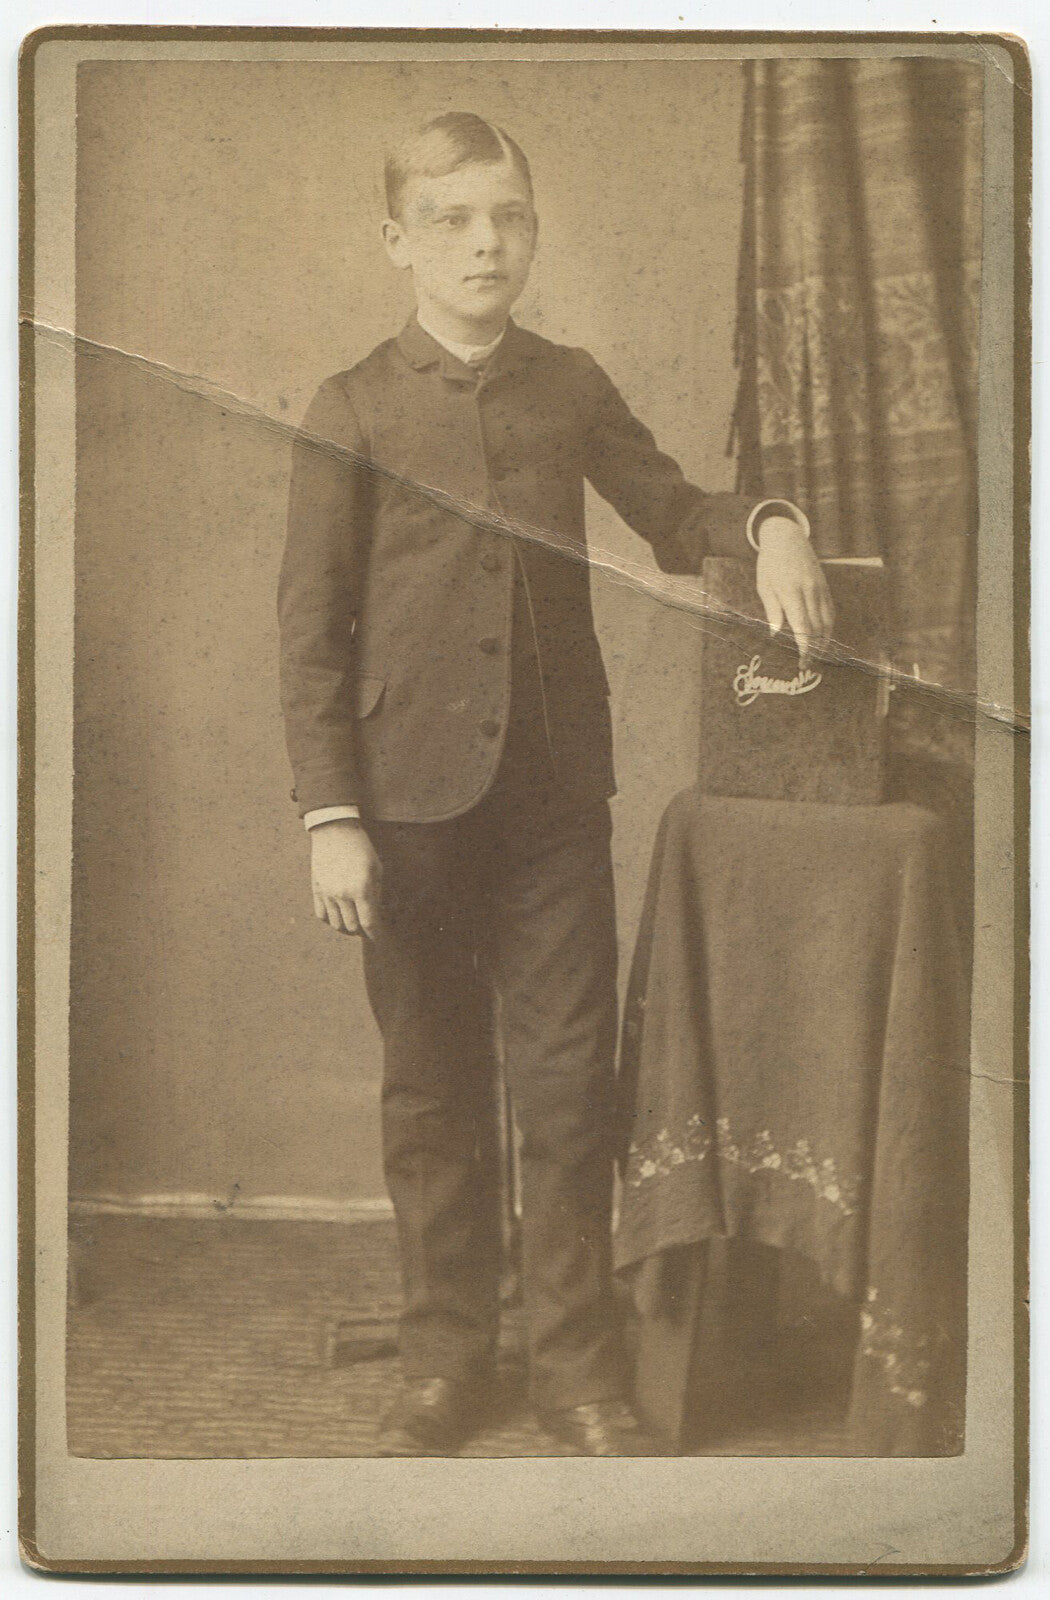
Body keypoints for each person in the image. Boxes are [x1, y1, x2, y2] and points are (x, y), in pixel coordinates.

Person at [278, 111, 833, 1456]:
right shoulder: (350, 403)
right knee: (430, 1087)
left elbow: (669, 504)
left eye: (508, 215)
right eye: (456, 218)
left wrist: (764, 525)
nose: (486, 242)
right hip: (399, 812)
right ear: (398, 240)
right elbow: (309, 629)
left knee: (569, 1080)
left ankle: (578, 1369)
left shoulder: (566, 385)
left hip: (546, 805)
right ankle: (444, 1362)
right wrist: (330, 817)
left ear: (530, 227)